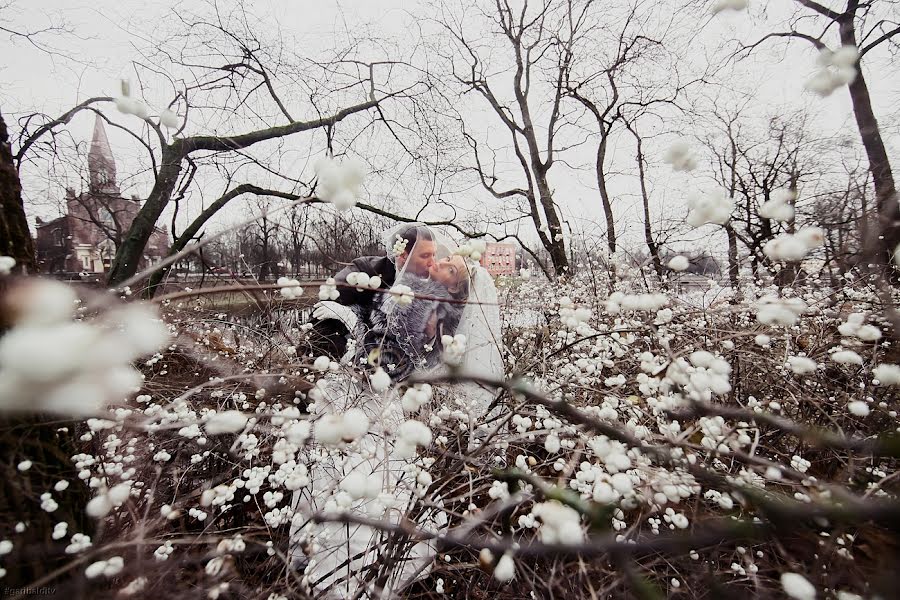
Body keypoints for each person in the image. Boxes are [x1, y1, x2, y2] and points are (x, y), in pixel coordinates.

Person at [298, 224, 439, 361]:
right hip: (344, 349)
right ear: (402, 255)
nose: (433, 263)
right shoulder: (365, 272)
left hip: (390, 361)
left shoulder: (431, 288)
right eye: (425, 255)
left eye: (434, 254)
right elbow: (325, 308)